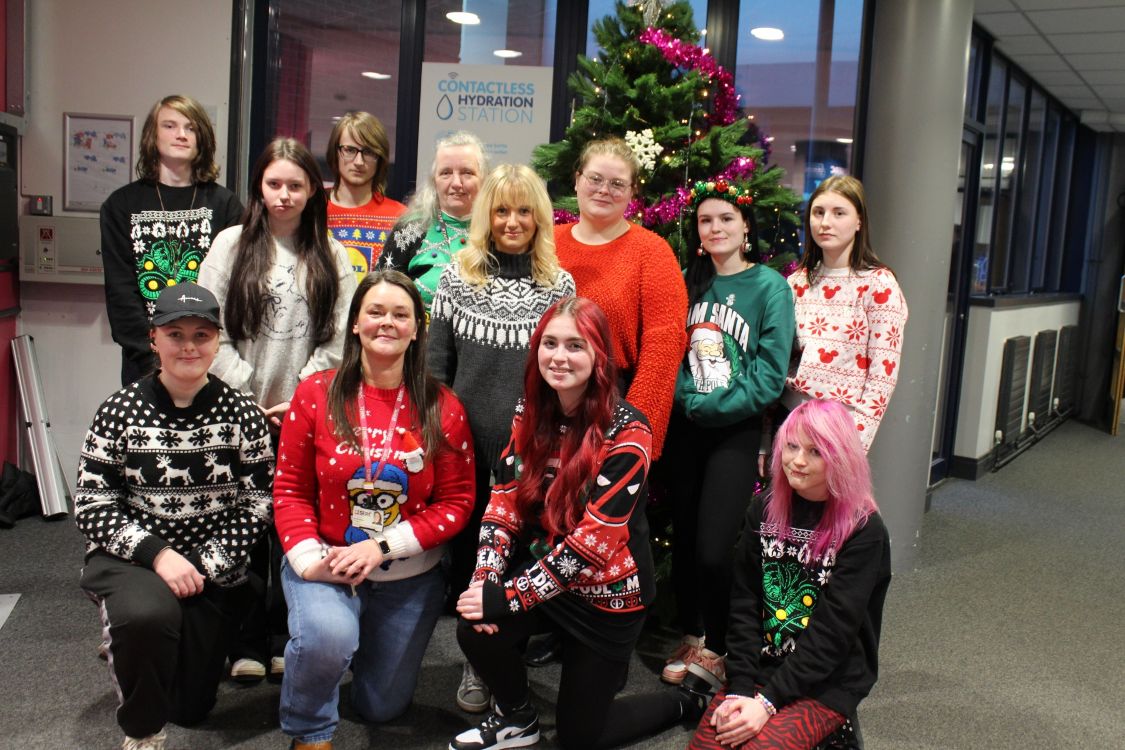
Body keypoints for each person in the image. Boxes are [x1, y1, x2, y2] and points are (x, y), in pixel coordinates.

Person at [450, 297, 702, 750]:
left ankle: (684, 703)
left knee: (580, 737)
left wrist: (507, 597)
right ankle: (516, 719)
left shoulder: (629, 430)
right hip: (545, 578)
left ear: (599, 356)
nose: (559, 357)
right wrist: (486, 578)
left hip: (607, 597)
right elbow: (504, 501)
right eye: (550, 343)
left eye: (575, 345)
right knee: (474, 625)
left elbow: (591, 545)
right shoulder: (530, 410)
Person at [274, 270, 475, 750]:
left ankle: (354, 651)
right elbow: (290, 490)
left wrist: (381, 547)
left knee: (382, 707)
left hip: (409, 575)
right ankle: (310, 729)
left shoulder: (442, 406)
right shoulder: (315, 394)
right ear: (355, 323)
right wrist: (310, 563)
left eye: (400, 314)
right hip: (327, 562)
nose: (388, 322)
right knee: (326, 638)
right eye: (376, 312)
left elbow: (457, 502)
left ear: (416, 328)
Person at [75, 283, 274, 750]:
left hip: (209, 568)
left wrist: (201, 564)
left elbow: (258, 503)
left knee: (191, 707)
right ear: (153, 339)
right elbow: (91, 502)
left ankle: (154, 647)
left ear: (217, 341)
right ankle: (142, 731)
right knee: (145, 617)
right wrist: (160, 556)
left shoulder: (244, 415)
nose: (189, 347)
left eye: (201, 335)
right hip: (135, 560)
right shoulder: (118, 411)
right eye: (175, 334)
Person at [197, 137, 358, 684]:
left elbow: (340, 337)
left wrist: (304, 397)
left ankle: (286, 636)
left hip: (305, 414)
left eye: (295, 185)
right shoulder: (229, 245)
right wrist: (248, 395)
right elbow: (207, 328)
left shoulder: (331, 254)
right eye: (274, 184)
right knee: (242, 522)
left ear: (313, 189)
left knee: (295, 522)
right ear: (259, 188)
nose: (284, 195)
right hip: (236, 410)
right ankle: (244, 641)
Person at [427, 163, 576, 713]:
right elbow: (438, 367)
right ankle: (477, 661)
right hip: (464, 451)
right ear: (486, 216)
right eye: (501, 210)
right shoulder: (457, 278)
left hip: (533, 454)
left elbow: (568, 370)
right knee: (472, 558)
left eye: (524, 211)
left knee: (517, 561)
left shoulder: (559, 286)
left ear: (540, 218)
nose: (512, 222)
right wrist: (438, 437)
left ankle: (503, 662)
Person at [687, 399, 891, 750]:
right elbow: (745, 604)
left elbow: (833, 633)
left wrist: (767, 703)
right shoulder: (764, 508)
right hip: (761, 668)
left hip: (828, 680)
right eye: (792, 446)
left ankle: (837, 733)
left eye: (815, 452)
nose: (797, 460)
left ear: (840, 457)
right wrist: (740, 689)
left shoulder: (863, 529)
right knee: (710, 746)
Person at [662, 180, 796, 690]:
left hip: (733, 432)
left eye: (725, 219)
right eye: (705, 220)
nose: (715, 228)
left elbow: (769, 375)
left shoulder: (770, 287)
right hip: (685, 428)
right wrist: (687, 400)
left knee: (715, 548)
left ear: (745, 227)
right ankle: (691, 635)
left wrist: (710, 406)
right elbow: (668, 351)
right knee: (685, 538)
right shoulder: (687, 282)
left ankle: (719, 646)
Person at [553, 136, 687, 460]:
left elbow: (663, 347)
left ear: (631, 192)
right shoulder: (547, 242)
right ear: (577, 180)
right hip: (546, 400)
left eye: (617, 184)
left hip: (612, 403)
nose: (604, 190)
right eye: (595, 179)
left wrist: (635, 433)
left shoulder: (652, 252)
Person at [101, 94, 243, 386]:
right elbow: (121, 294)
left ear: (202, 138)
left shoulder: (226, 205)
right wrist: (154, 359)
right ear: (152, 136)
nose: (181, 134)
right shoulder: (121, 205)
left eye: (190, 128)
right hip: (145, 365)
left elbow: (234, 293)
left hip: (211, 364)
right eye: (170, 126)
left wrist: (212, 356)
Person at [785, 175, 908, 453]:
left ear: (859, 221)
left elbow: (882, 377)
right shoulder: (797, 282)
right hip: (790, 421)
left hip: (838, 428)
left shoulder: (878, 283)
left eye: (839, 213)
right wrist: (766, 438)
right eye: (818, 212)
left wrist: (855, 446)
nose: (825, 222)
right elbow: (780, 360)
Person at [377, 131, 487, 313]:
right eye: (446, 173)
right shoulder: (411, 229)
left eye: (467, 173)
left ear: (483, 179)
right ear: (434, 180)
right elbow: (380, 296)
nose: (456, 183)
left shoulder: (497, 230)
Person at [324, 111, 406, 281]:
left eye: (368, 152)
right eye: (349, 150)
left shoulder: (401, 217)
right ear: (335, 152)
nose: (359, 161)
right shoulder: (313, 210)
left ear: (380, 158)